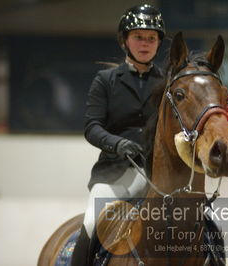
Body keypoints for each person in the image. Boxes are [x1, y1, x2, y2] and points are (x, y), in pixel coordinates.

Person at [71, 4, 165, 266]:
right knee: (91, 222)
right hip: (114, 175)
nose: (145, 43)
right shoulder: (105, 80)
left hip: (157, 178)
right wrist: (117, 143)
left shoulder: (168, 83)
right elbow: (92, 126)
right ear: (125, 40)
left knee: (201, 224)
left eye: (151, 38)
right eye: (138, 37)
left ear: (158, 43)